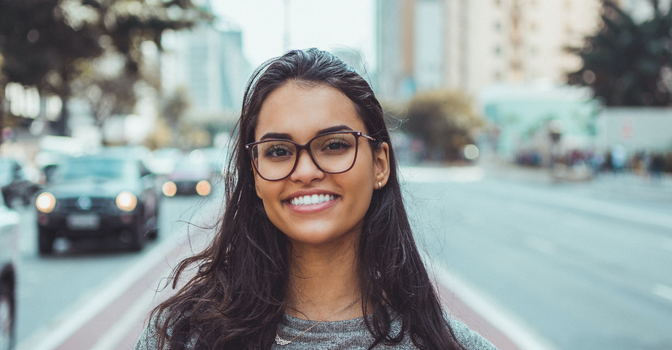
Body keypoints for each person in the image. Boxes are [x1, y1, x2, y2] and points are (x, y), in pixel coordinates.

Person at [135, 48, 497, 350]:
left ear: (380, 165)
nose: (305, 171)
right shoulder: (178, 337)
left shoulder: (452, 345)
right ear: (256, 173)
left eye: (335, 145)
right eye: (278, 150)